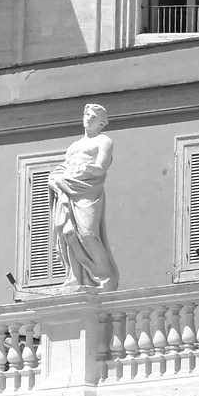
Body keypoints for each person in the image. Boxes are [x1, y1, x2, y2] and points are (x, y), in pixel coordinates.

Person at [48, 102, 119, 291]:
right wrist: (55, 177)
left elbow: (101, 166)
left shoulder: (104, 141)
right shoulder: (74, 146)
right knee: (69, 233)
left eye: (92, 116)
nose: (87, 118)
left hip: (88, 190)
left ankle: (105, 278)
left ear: (102, 123)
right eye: (86, 114)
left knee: (88, 234)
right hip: (69, 186)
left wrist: (87, 168)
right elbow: (64, 167)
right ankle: (77, 276)